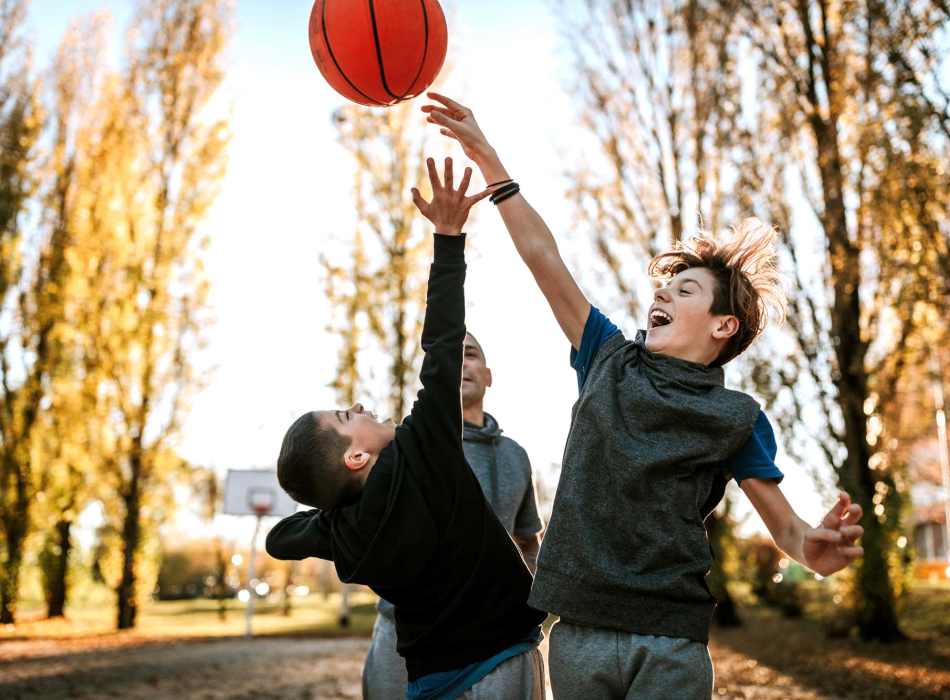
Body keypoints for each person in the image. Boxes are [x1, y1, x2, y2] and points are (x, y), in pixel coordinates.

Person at [421, 93, 865, 699]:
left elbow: (787, 530)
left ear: (722, 326)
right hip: (577, 631)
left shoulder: (737, 418)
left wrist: (813, 548)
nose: (664, 297)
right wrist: (490, 159)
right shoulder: (607, 356)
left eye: (686, 290)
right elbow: (544, 258)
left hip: (670, 641)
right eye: (666, 288)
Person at [265, 157, 547, 700]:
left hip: (428, 679)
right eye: (349, 417)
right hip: (499, 659)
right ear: (355, 458)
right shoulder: (425, 451)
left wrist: (331, 515)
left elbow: (280, 540)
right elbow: (442, 340)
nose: (361, 406)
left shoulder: (343, 533)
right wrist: (448, 237)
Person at [363, 331, 544, 699]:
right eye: (452, 356)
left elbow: (527, 540)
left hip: (496, 641)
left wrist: (523, 601)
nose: (461, 363)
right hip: (405, 636)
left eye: (471, 354)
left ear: (489, 375)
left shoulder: (515, 455)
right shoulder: (401, 449)